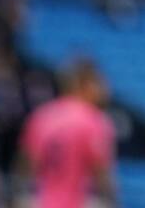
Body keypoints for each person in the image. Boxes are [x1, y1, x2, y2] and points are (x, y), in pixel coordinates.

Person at [19, 58, 116, 208]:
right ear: (83, 84)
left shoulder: (41, 117)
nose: (105, 89)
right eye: (98, 82)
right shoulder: (94, 120)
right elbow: (103, 178)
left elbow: (25, 171)